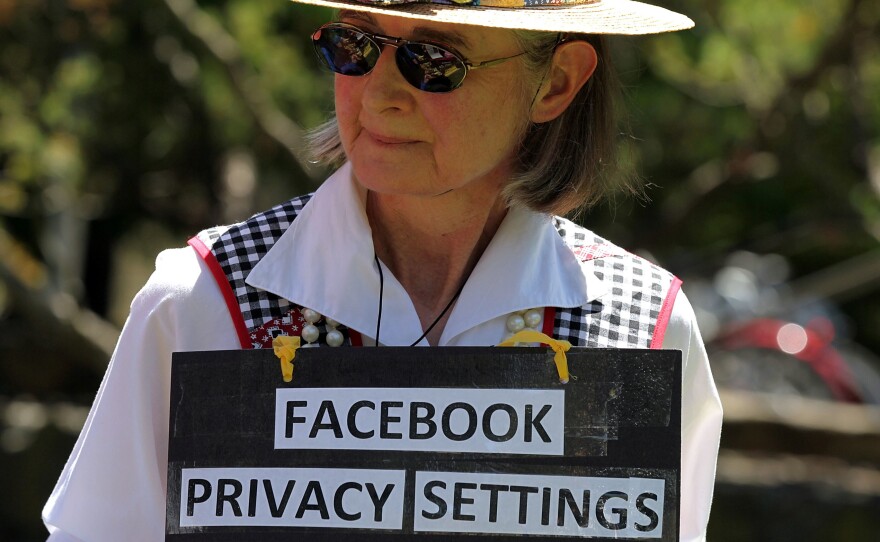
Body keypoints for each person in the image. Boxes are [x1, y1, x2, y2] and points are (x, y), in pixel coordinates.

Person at [43, 0, 722, 540]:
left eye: (435, 59)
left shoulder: (647, 332)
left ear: (558, 82)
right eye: (355, 46)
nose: (379, 96)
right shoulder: (198, 304)